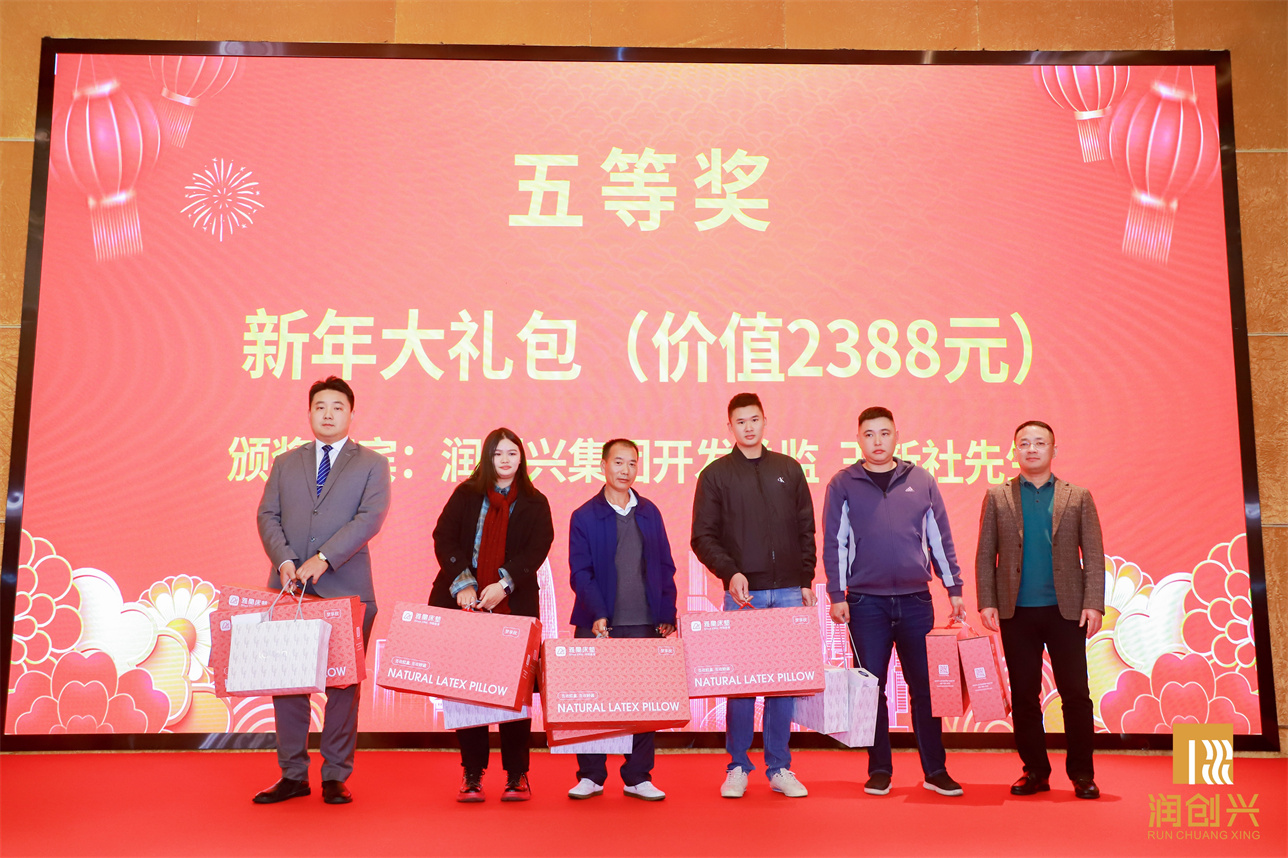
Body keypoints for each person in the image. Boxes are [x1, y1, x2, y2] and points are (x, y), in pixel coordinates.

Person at [254, 376, 391, 805]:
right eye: (320, 406)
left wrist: (324, 558)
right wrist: (285, 561)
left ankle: (335, 774)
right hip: (290, 589)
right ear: (310, 412)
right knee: (287, 684)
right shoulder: (285, 462)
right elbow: (267, 515)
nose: (328, 414)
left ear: (351, 413)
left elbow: (369, 518)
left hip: (347, 591)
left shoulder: (371, 463)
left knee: (343, 688)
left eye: (337, 407)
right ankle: (293, 774)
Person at [822, 406, 966, 798]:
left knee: (926, 690)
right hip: (865, 604)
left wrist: (953, 588)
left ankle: (935, 770)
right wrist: (836, 595)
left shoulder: (921, 480)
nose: (877, 441)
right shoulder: (843, 484)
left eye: (884, 433)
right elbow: (835, 543)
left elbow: (939, 538)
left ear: (896, 436)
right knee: (871, 690)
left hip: (916, 602)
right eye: (869, 434)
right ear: (858, 439)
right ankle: (879, 769)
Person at [691, 392, 817, 799]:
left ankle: (779, 767)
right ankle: (737, 766)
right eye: (740, 421)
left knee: (783, 685)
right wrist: (730, 572)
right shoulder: (716, 475)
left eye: (754, 419)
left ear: (765, 421)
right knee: (742, 686)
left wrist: (805, 579)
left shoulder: (788, 469)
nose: (748, 427)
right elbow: (702, 536)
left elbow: (806, 528)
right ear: (729, 427)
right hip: (744, 595)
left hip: (789, 593)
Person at [976, 420, 1105, 800]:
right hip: (1016, 612)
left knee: (1076, 695)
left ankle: (1082, 774)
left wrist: (1093, 603)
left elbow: (1093, 555)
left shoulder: (1078, 496)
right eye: (1024, 443)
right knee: (1024, 696)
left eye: (1039, 443)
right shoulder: (997, 496)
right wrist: (987, 600)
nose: (1031, 449)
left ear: (1053, 450)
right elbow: (985, 554)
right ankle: (1035, 771)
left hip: (1067, 611)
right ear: (1014, 450)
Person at [429, 427, 554, 803]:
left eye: (512, 453)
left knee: (515, 694)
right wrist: (463, 584)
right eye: (498, 453)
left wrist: (505, 583)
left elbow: (538, 548)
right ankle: (472, 772)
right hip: (464, 605)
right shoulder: (466, 494)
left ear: (521, 458)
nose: (505, 460)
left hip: (513, 607)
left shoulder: (535, 502)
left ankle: (517, 774)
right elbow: (444, 537)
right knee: (467, 691)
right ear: (487, 457)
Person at [565, 439, 678, 802]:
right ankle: (591, 775)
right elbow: (580, 572)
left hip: (644, 622)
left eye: (632, 463)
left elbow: (665, 566)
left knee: (642, 702)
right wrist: (598, 612)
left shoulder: (650, 512)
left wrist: (666, 612)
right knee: (592, 701)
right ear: (603, 465)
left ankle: (637, 776)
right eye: (618, 462)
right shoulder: (584, 515)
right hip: (598, 623)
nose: (625, 470)